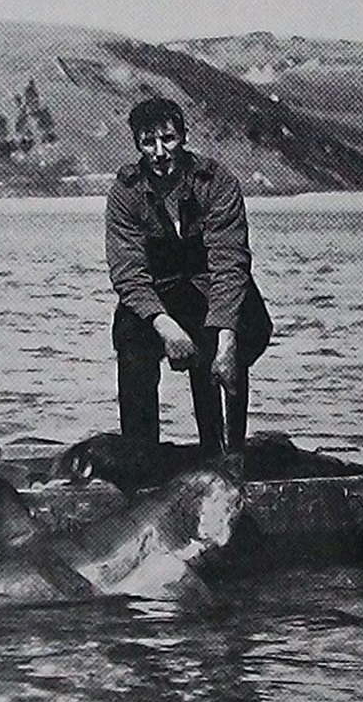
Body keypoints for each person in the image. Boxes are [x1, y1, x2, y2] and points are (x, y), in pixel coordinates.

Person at [104, 98, 272, 454]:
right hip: (160, 294)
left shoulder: (218, 181)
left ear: (183, 136)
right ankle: (140, 459)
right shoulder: (125, 192)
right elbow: (128, 273)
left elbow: (230, 262)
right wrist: (165, 326)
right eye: (149, 143)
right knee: (131, 341)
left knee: (223, 347)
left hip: (212, 290)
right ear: (138, 145)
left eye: (168, 139)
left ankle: (225, 454)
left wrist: (227, 339)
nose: (160, 152)